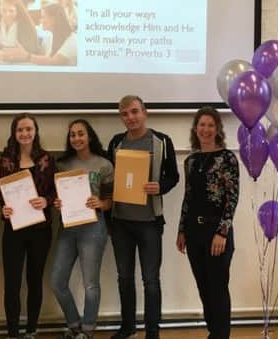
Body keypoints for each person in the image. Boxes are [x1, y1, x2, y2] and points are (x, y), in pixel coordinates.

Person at [106, 95, 179, 339]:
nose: (131, 117)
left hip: (149, 223)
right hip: (121, 223)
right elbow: (109, 179)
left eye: (135, 112)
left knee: (150, 280)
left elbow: (173, 176)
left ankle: (152, 332)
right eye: (125, 114)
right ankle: (128, 327)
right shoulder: (116, 143)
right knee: (124, 277)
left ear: (145, 112)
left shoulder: (161, 142)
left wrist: (160, 186)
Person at [176, 107, 239, 339]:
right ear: (196, 129)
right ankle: (213, 332)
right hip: (194, 232)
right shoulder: (191, 161)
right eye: (202, 125)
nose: (206, 129)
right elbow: (188, 197)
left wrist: (222, 233)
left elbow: (232, 199)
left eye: (210, 125)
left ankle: (221, 335)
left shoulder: (228, 158)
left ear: (217, 129)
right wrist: (181, 230)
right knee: (203, 287)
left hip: (217, 233)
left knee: (218, 288)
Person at [51, 120, 114, 339]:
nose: (76, 138)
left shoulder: (104, 165)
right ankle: (74, 324)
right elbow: (56, 197)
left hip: (93, 228)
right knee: (57, 281)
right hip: (68, 228)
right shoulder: (62, 164)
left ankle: (87, 330)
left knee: (90, 284)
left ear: (89, 136)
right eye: (72, 135)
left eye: (81, 134)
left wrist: (101, 203)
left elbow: (110, 200)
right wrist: (56, 203)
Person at [0, 113, 56, 339]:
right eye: (20, 129)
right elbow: (3, 192)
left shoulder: (47, 159)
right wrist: (4, 208)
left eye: (29, 129)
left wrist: (46, 201)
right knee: (12, 283)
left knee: (35, 280)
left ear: (35, 132)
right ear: (14, 133)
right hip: (13, 229)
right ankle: (13, 333)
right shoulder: (6, 159)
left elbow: (55, 190)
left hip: (41, 230)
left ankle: (31, 330)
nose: (25, 133)